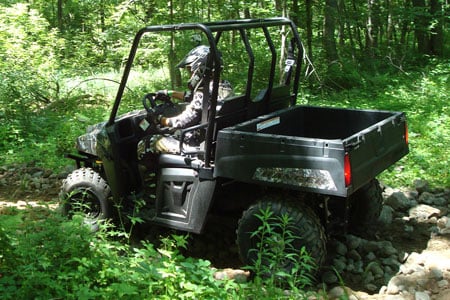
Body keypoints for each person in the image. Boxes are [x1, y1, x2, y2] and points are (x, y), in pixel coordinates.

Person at [137, 45, 233, 157]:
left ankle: (150, 174)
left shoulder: (205, 92)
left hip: (197, 146)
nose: (190, 74)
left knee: (147, 143)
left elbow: (182, 121)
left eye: (190, 70)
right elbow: (194, 98)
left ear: (200, 69)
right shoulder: (223, 86)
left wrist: (160, 119)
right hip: (213, 142)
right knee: (174, 133)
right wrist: (170, 93)